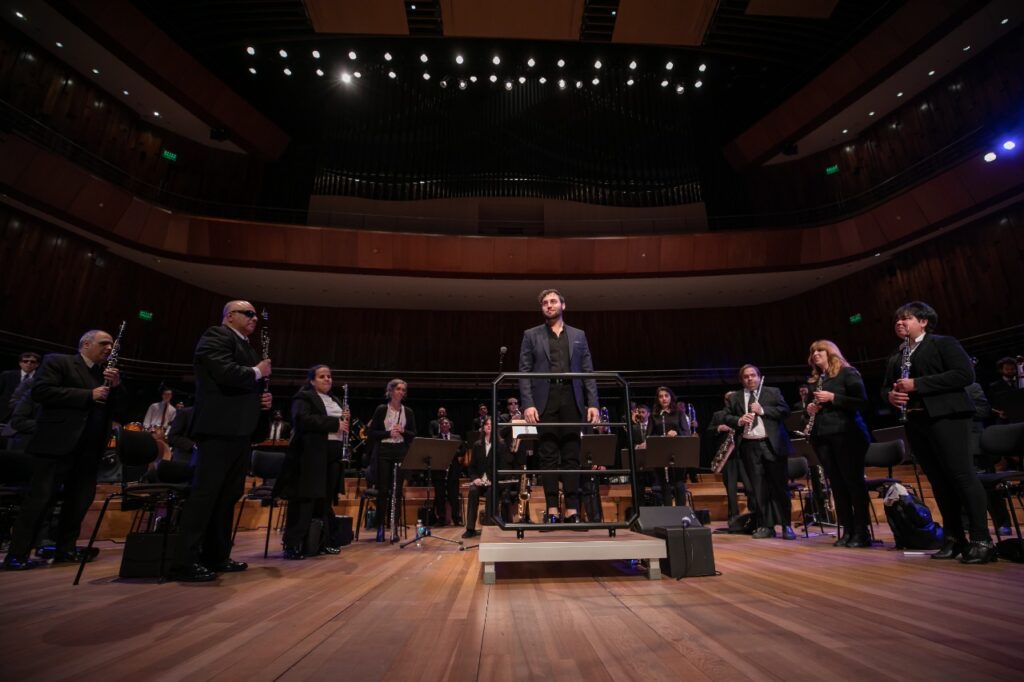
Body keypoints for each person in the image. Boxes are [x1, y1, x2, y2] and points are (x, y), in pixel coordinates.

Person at [883, 301, 995, 564]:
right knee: (939, 483)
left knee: (962, 476)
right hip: (916, 421)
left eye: (906, 318)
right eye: (897, 320)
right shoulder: (898, 355)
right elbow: (886, 388)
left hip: (948, 417)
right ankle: (954, 538)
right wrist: (890, 396)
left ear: (923, 322)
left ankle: (982, 540)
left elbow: (964, 374)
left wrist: (917, 384)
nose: (900, 323)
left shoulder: (943, 343)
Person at [3, 331, 125, 570]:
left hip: (89, 449)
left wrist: (117, 387)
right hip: (57, 445)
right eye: (104, 343)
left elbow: (118, 408)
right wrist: (87, 395)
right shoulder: (59, 362)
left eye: (111, 345)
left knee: (78, 502)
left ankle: (65, 549)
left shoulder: (106, 374)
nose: (109, 348)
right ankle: (18, 554)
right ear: (86, 344)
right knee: (40, 500)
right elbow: (42, 392)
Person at [171, 300, 272, 582]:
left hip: (240, 430)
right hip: (218, 428)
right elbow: (223, 372)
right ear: (230, 316)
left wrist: (262, 399)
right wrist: (257, 372)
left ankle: (216, 555)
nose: (254, 318)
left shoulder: (248, 347)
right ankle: (185, 561)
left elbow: (246, 383)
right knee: (205, 495)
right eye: (248, 314)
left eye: (255, 315)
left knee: (228, 495)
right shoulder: (215, 335)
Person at [519, 288, 600, 526]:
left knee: (572, 455)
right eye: (545, 302)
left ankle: (572, 511)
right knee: (548, 455)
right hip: (545, 397)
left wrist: (593, 403)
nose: (549, 305)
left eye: (553, 301)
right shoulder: (531, 335)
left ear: (563, 305)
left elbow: (588, 371)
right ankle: (552, 509)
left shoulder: (578, 335)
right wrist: (528, 404)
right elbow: (523, 373)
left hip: (571, 397)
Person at [276, 365, 348, 559]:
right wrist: (336, 423)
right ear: (312, 380)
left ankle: (320, 542)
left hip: (332, 457)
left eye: (329, 376)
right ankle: (293, 544)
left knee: (324, 501)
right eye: (322, 376)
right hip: (311, 456)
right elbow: (302, 419)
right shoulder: (304, 397)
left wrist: (343, 421)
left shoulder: (335, 399)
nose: (327, 379)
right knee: (305, 500)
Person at [804, 340, 872, 547]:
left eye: (820, 350)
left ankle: (862, 532)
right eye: (813, 351)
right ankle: (847, 531)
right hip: (823, 437)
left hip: (847, 434)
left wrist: (833, 397)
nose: (815, 354)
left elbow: (861, 402)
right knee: (837, 485)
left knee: (853, 483)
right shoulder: (815, 380)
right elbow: (811, 411)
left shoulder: (847, 373)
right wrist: (809, 410)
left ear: (831, 352)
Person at [724, 364, 795, 540]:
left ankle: (786, 525)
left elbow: (785, 411)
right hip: (750, 446)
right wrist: (739, 420)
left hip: (772, 445)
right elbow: (725, 417)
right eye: (746, 376)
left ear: (758, 376)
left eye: (753, 375)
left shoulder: (772, 392)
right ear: (742, 380)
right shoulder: (735, 398)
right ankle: (766, 526)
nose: (750, 379)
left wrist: (762, 410)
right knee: (758, 489)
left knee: (779, 487)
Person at [368, 378, 417, 542]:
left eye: (403, 390)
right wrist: (388, 433)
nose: (401, 392)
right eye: (398, 389)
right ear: (390, 391)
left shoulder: (408, 411)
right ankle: (381, 526)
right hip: (384, 450)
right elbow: (372, 433)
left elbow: (413, 435)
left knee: (397, 491)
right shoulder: (382, 409)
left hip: (401, 451)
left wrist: (403, 431)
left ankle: (394, 528)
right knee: (383, 490)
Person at [705, 391, 752, 523]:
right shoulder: (718, 415)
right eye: (728, 398)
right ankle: (733, 517)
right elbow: (708, 432)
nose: (731, 400)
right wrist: (719, 427)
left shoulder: (745, 413)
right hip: (728, 456)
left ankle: (754, 514)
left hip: (744, 454)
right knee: (731, 489)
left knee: (750, 487)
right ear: (725, 401)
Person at [462, 417, 512, 538]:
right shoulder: (477, 445)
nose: (489, 426)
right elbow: (472, 467)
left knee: (491, 492)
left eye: (492, 424)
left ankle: (489, 527)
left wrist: (492, 480)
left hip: (494, 482)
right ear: (483, 427)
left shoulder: (501, 445)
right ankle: (470, 528)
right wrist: (475, 479)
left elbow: (504, 468)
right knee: (473, 491)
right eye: (487, 424)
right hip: (480, 482)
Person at [649, 386, 692, 507]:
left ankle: (681, 513)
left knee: (679, 484)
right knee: (665, 485)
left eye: (666, 396)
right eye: (661, 396)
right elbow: (649, 436)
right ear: (657, 399)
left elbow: (687, 433)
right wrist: (659, 438)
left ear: (671, 397)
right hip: (661, 453)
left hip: (677, 452)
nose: (663, 399)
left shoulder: (679, 414)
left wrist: (677, 433)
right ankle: (669, 515)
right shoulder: (654, 416)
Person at [430, 417, 463, 526]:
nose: (444, 425)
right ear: (440, 426)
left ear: (449, 425)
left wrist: (450, 450)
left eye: (446, 423)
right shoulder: (435, 438)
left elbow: (462, 450)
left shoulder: (456, 437)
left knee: (454, 496)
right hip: (439, 471)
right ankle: (441, 519)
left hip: (453, 471)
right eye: (442, 423)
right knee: (439, 496)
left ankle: (457, 519)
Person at [0, 352, 41, 423]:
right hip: (3, 413)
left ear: (37, 365)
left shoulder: (40, 380)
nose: (29, 363)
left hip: (25, 416)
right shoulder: (7, 375)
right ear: (20, 363)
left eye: (32, 362)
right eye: (25, 361)